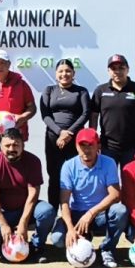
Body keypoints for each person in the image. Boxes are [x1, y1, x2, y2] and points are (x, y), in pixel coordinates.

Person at [56, 128, 129, 268]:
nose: (86, 150)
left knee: (120, 211)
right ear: (76, 147)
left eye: (91, 145)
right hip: (77, 214)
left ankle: (107, 249)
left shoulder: (109, 163)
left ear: (99, 146)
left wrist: (90, 213)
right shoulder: (68, 166)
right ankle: (83, 238)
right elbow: (64, 201)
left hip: (99, 215)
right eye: (82, 145)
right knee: (58, 239)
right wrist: (70, 229)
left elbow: (115, 195)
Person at [0, 129, 56, 261]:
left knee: (47, 211)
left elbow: (33, 194)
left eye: (16, 145)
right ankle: (7, 244)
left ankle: (37, 246)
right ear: (0, 146)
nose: (11, 149)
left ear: (23, 145)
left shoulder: (33, 161)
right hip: (3, 210)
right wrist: (3, 224)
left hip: (25, 208)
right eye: (7, 145)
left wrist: (23, 222)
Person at [39, 59, 91, 209]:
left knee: (77, 175)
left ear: (73, 73)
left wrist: (69, 133)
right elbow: (45, 115)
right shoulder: (49, 90)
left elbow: (85, 113)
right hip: (53, 139)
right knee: (54, 176)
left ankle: (76, 212)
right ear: (56, 74)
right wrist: (60, 132)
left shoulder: (81, 91)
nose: (64, 74)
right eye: (61, 71)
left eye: (68, 71)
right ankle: (53, 213)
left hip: (75, 140)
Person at [89, 54, 135, 168]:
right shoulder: (101, 90)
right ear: (109, 71)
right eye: (113, 68)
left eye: (121, 68)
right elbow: (94, 116)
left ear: (127, 69)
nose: (117, 71)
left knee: (131, 182)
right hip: (107, 147)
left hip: (132, 147)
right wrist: (94, 140)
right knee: (108, 182)